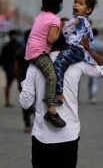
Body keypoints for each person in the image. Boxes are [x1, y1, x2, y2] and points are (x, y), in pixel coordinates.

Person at [20, 34, 103, 168]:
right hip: (69, 135)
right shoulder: (77, 63)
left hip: (42, 137)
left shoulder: (34, 67)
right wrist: (90, 51)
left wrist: (25, 85)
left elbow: (26, 103)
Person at [24, 0, 63, 128]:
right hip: (38, 52)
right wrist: (60, 29)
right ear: (59, 4)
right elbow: (52, 39)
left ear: (43, 2)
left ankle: (53, 100)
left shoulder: (41, 15)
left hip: (31, 51)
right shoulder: (55, 19)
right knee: (52, 76)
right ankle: (51, 111)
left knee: (50, 75)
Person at [55, 0, 98, 106]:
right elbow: (90, 38)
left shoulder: (80, 20)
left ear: (88, 10)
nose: (76, 5)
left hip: (74, 49)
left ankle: (58, 94)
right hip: (75, 49)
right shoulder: (79, 20)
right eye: (75, 2)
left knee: (58, 65)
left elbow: (64, 32)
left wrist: (62, 24)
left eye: (80, 3)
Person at [14, 29, 34, 133]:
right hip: (34, 81)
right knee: (37, 102)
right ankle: (35, 123)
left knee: (25, 102)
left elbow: (16, 68)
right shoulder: (37, 51)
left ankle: (26, 125)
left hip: (23, 80)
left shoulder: (19, 51)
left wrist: (18, 82)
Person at [0, 30, 21, 107]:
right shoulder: (6, 46)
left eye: (15, 35)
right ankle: (7, 101)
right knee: (8, 84)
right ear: (10, 36)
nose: (14, 36)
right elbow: (1, 58)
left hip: (18, 68)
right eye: (13, 35)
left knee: (21, 85)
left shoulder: (19, 45)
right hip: (9, 68)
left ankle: (24, 102)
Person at [88, 28, 101, 104]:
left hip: (88, 63)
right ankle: (93, 97)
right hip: (96, 63)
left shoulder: (89, 42)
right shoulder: (99, 42)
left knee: (90, 82)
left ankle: (90, 95)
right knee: (95, 81)